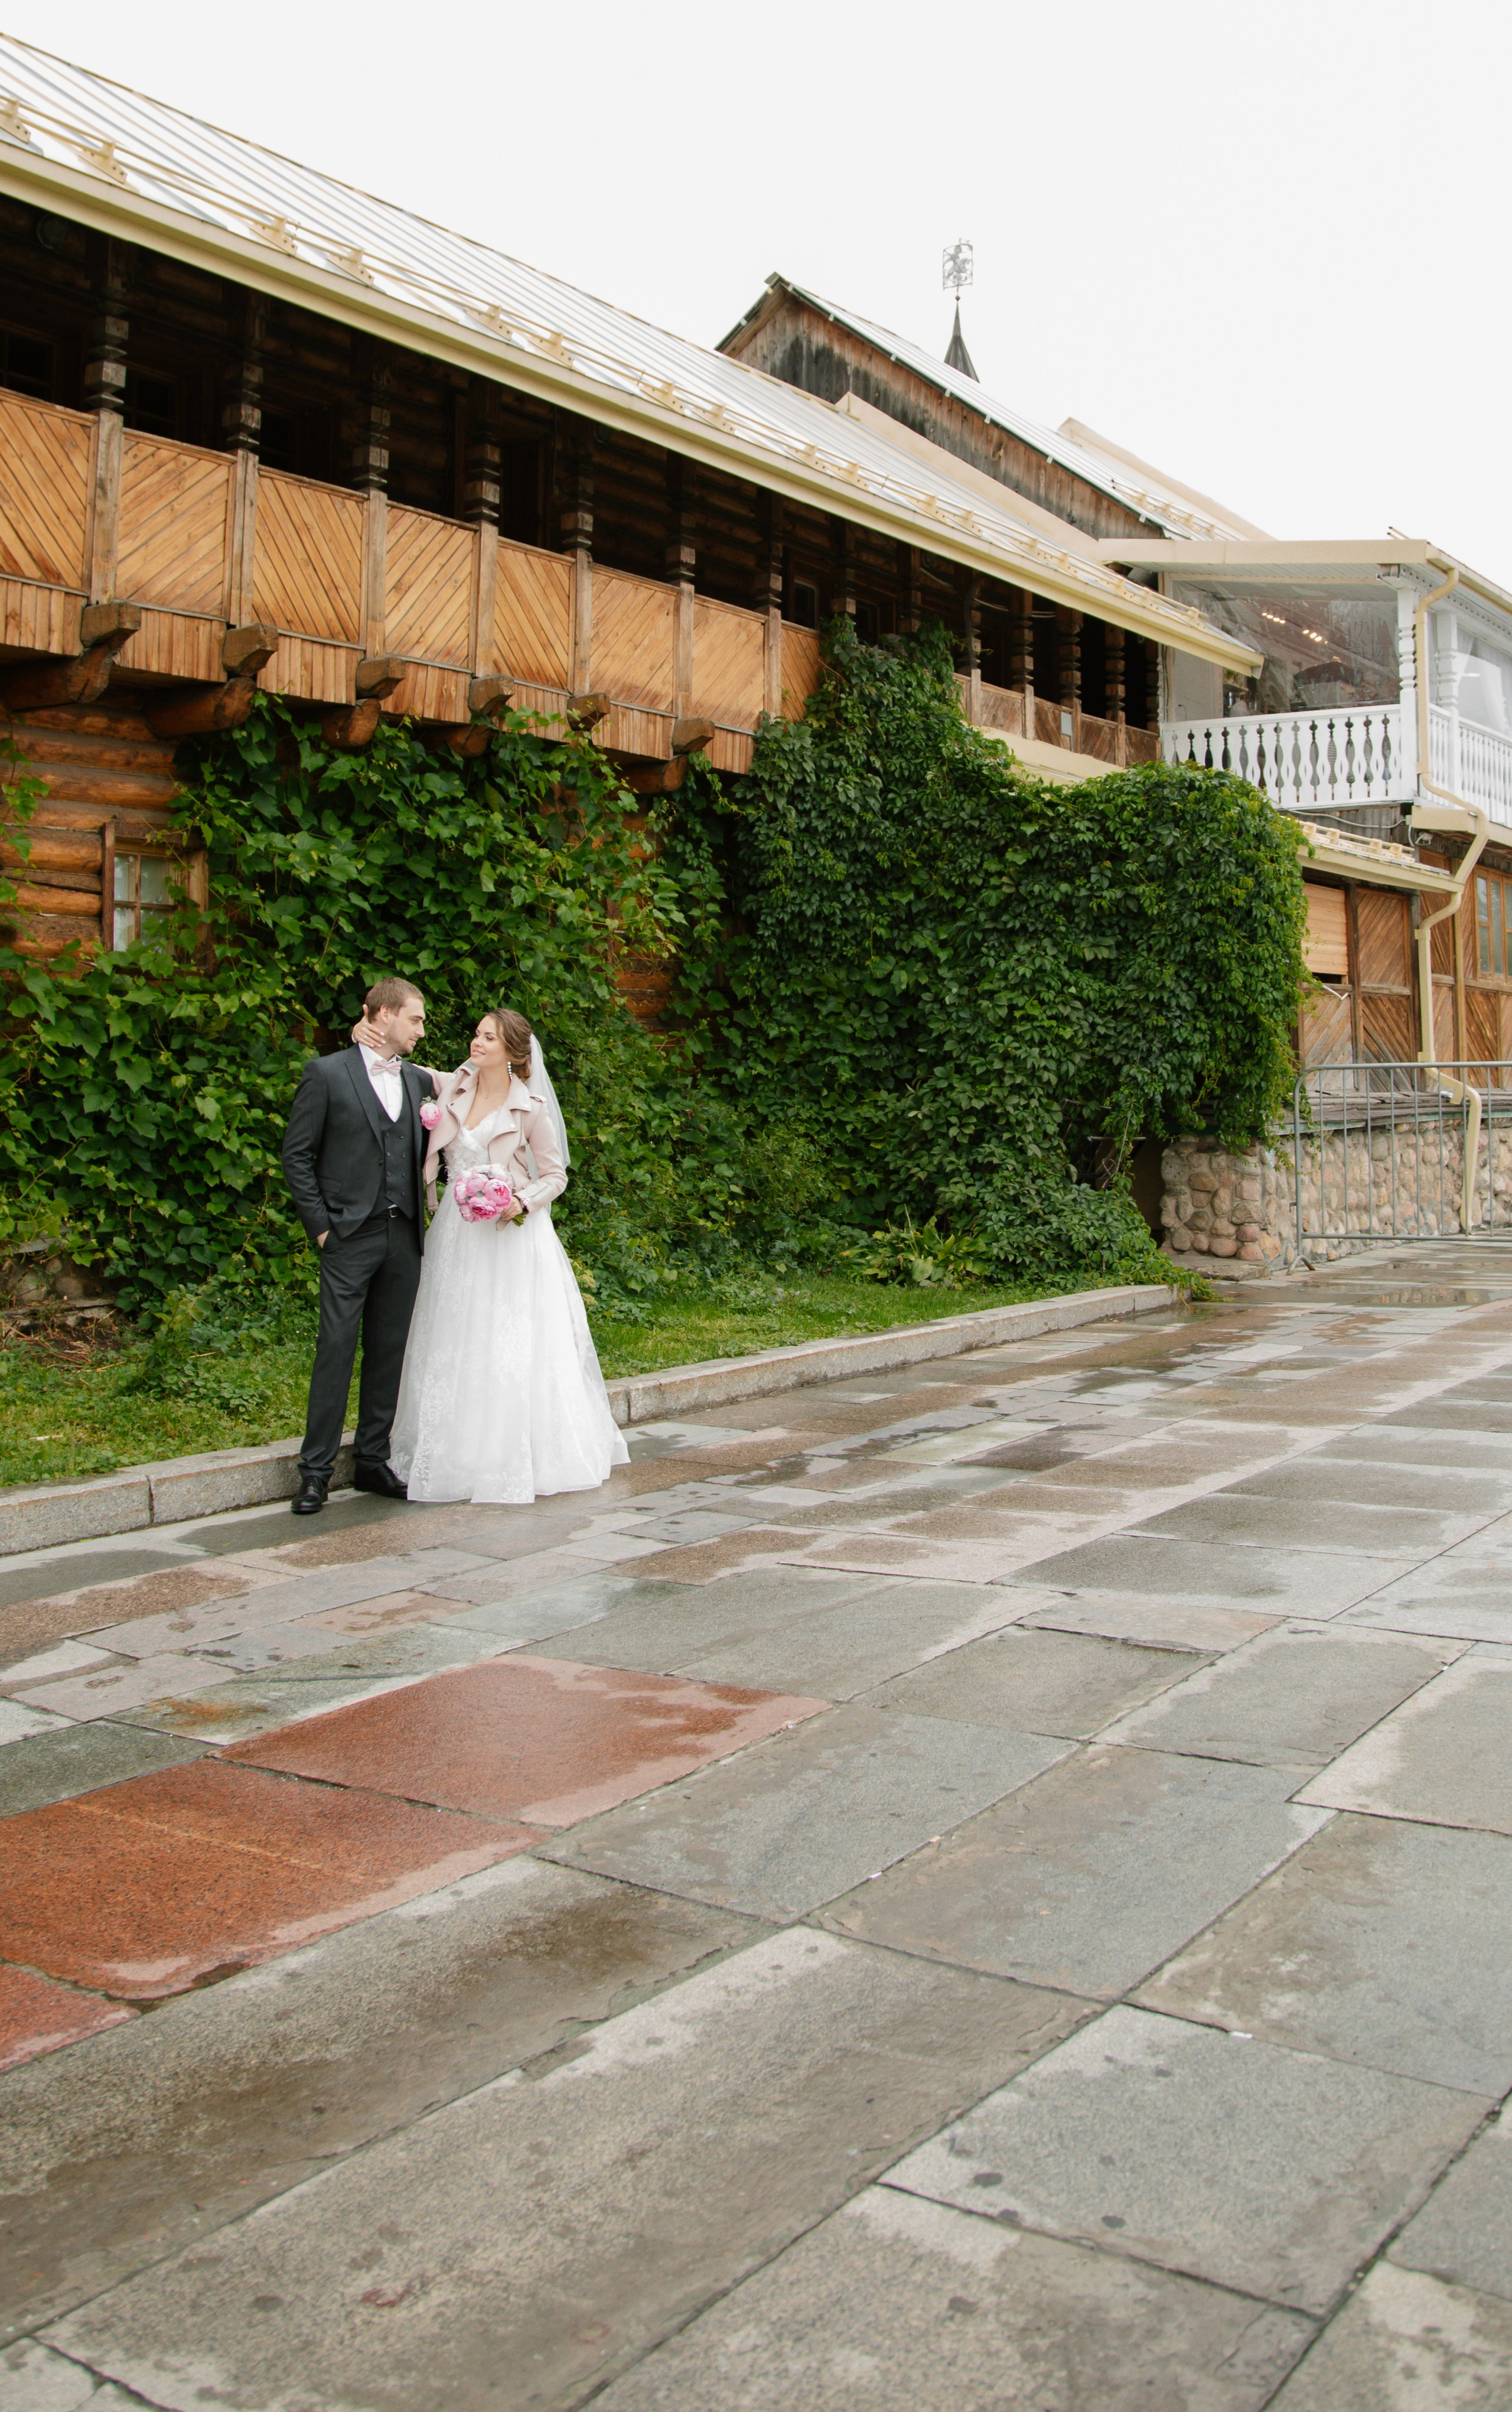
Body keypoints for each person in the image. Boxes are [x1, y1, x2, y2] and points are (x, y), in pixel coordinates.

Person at [384, 1005, 628, 1503]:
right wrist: (369, 1036)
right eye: (477, 1035)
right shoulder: (456, 1085)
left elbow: (556, 1176)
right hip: (455, 1233)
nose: (477, 1043)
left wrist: (520, 1200)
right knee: (456, 1335)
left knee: (508, 1339)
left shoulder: (531, 1106)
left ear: (514, 1054)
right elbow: (401, 1068)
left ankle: (513, 1453)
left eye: (489, 1039)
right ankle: (455, 1451)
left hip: (510, 1235)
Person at [280, 977, 435, 1516]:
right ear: (384, 1015)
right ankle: (316, 1472)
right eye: (414, 1019)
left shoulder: (418, 1081)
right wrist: (322, 1228)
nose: (421, 1029)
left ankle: (372, 1460)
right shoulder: (326, 1073)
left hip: (404, 1234)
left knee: (390, 1351)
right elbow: (296, 1156)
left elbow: (477, 1080)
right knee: (336, 1348)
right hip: (348, 1235)